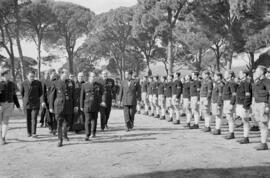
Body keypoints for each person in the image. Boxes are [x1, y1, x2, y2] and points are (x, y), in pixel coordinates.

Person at [49, 71, 77, 147]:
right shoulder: (55, 83)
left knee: (67, 123)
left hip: (69, 106)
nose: (66, 75)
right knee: (59, 124)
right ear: (61, 74)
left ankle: (65, 135)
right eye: (64, 74)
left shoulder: (71, 83)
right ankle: (60, 140)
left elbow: (74, 95)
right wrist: (51, 107)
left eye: (67, 74)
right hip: (59, 106)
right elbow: (52, 96)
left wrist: (75, 105)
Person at [80, 72, 103, 141]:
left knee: (94, 119)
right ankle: (87, 134)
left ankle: (93, 132)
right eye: (92, 76)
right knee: (88, 120)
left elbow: (100, 95)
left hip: (95, 105)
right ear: (89, 77)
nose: (93, 78)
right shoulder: (84, 85)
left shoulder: (99, 85)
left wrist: (100, 103)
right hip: (87, 105)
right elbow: (82, 96)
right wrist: (81, 106)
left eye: (94, 76)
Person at [0, 68, 21, 145]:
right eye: (9, 73)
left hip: (9, 105)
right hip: (0, 105)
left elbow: (14, 95)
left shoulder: (12, 84)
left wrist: (18, 106)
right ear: (4, 74)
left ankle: (3, 138)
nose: (10, 74)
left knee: (5, 122)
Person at [21, 71, 43, 138]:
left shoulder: (38, 83)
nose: (32, 78)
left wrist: (35, 98)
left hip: (35, 103)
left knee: (34, 118)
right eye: (31, 76)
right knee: (28, 119)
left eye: (33, 76)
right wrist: (25, 99)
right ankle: (29, 132)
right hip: (27, 103)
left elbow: (40, 93)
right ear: (27, 76)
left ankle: (34, 133)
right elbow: (22, 93)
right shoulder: (23, 83)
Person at [253, 66, 270, 150]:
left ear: (262, 72)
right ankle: (262, 142)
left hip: (264, 104)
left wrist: (268, 106)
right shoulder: (258, 81)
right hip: (258, 103)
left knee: (264, 124)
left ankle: (264, 144)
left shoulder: (267, 81)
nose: (255, 72)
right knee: (260, 124)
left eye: (257, 71)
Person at [235, 70, 252, 144]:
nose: (239, 74)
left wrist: (246, 106)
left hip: (244, 104)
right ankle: (245, 137)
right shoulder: (241, 82)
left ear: (244, 75)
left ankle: (246, 138)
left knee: (246, 121)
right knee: (244, 121)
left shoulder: (246, 83)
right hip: (240, 103)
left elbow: (248, 95)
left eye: (240, 73)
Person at [222, 70, 237, 139]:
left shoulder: (231, 82)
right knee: (228, 117)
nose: (224, 74)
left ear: (230, 75)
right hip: (226, 101)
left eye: (226, 73)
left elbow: (234, 94)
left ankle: (231, 133)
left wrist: (231, 103)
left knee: (230, 118)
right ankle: (230, 132)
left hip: (229, 101)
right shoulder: (227, 82)